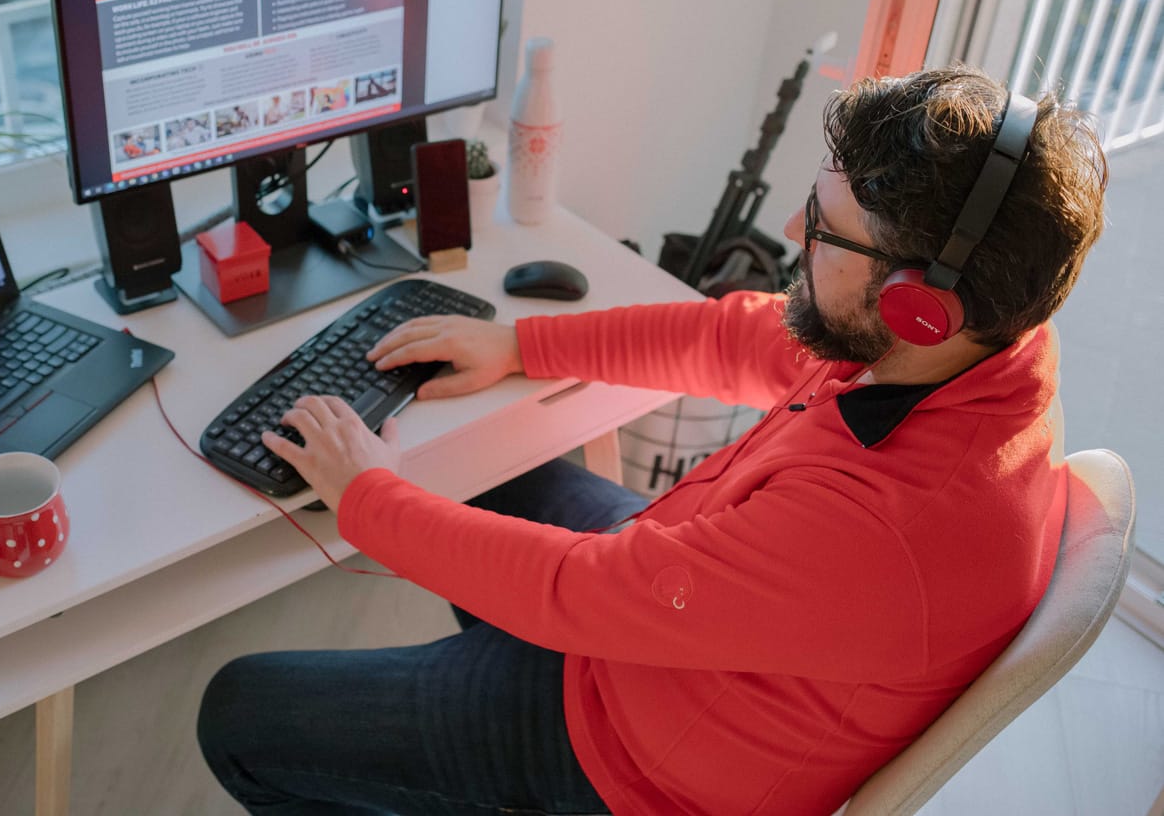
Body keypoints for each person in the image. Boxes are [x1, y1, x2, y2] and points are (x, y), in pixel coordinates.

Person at [195, 65, 1108, 815]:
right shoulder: (981, 341)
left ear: (919, 305)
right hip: (687, 616)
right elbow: (729, 338)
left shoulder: (885, 531)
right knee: (486, 466)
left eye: (826, 233)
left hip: (626, 765)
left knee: (236, 712)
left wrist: (368, 499)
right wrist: (521, 344)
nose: (792, 234)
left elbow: (572, 592)